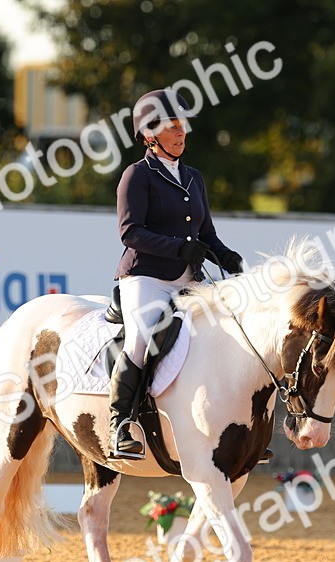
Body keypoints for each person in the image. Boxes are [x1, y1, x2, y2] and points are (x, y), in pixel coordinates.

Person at [109, 88, 245, 460]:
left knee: (225, 332)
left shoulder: (193, 177)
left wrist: (225, 255)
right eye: (172, 126)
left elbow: (206, 234)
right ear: (149, 134)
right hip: (147, 277)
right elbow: (130, 232)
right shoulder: (137, 175)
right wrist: (178, 248)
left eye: (182, 124)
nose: (181, 131)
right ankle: (120, 423)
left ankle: (233, 427)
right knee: (141, 340)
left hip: (189, 281)